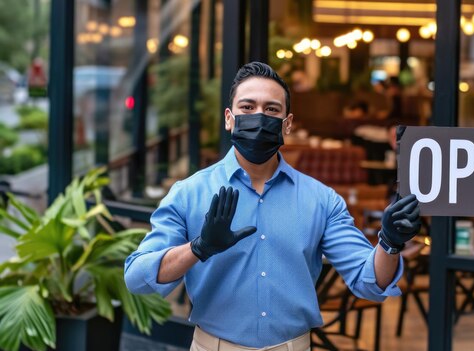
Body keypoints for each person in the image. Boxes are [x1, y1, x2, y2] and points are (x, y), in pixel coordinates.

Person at [124, 62, 421, 351]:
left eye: (271, 110)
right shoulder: (189, 193)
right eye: (247, 107)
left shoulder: (321, 200)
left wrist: (390, 243)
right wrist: (198, 248)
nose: (258, 116)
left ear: (287, 124)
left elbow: (369, 282)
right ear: (229, 118)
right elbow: (138, 278)